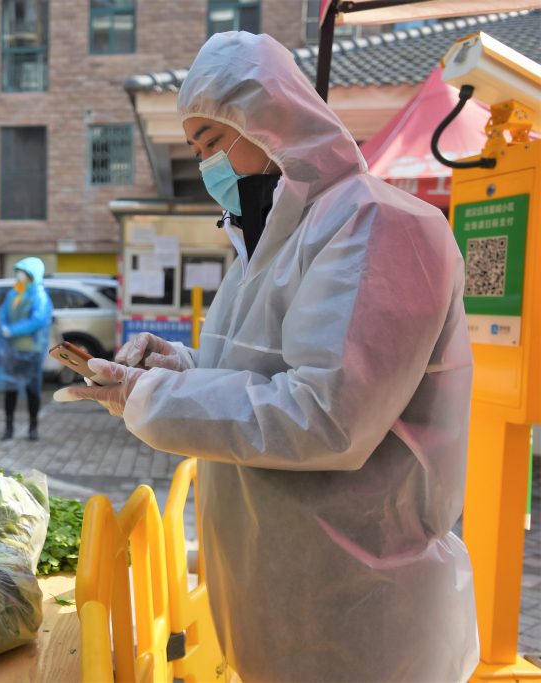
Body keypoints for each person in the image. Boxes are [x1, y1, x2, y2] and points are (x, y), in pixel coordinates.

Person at [56, 32, 478, 682]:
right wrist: (179, 367)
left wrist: (151, 396)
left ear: (269, 118)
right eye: (196, 151)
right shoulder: (263, 249)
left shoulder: (380, 226)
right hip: (282, 601)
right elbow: (258, 376)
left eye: (213, 141)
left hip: (365, 613)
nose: (208, 165)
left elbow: (325, 414)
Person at [0, 257, 52, 441]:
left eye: (23, 272)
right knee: (10, 388)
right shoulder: (15, 293)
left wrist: (12, 330)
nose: (19, 275)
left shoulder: (39, 296)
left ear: (33, 275)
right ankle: (9, 427)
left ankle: (33, 427)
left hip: (31, 350)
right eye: (19, 271)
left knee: (32, 390)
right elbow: (3, 312)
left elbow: (38, 321)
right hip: (12, 349)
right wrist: (4, 327)